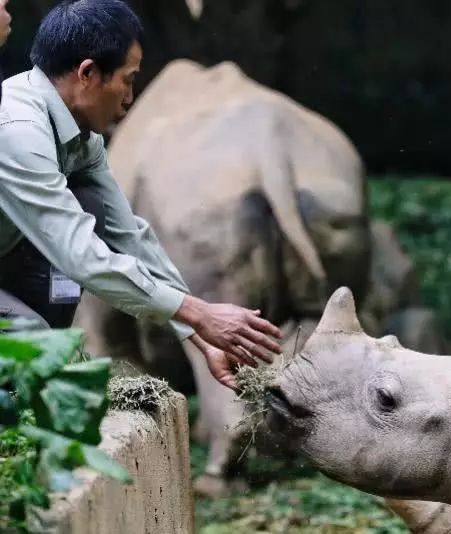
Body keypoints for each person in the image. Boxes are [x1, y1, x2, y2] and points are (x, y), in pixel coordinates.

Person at [0, 0, 282, 391]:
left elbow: (126, 232)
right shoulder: (19, 131)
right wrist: (201, 313)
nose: (130, 98)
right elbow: (81, 255)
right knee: (36, 349)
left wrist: (196, 332)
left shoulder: (81, 136)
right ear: (88, 74)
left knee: (91, 207)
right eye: (128, 80)